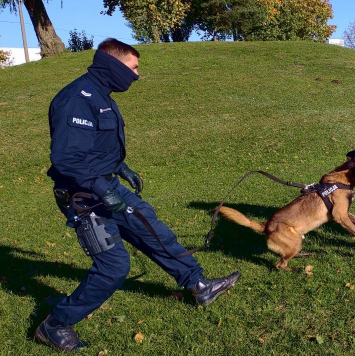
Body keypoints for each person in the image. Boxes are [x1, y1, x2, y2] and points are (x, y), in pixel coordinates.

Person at [36, 38, 240, 352]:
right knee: (114, 267)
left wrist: (120, 167)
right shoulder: (77, 99)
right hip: (84, 198)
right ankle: (55, 325)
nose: (136, 75)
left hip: (106, 186)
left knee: (150, 227)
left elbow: (96, 148)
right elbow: (67, 160)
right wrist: (104, 189)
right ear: (112, 65)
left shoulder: (100, 95)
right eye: (133, 68)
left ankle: (199, 285)